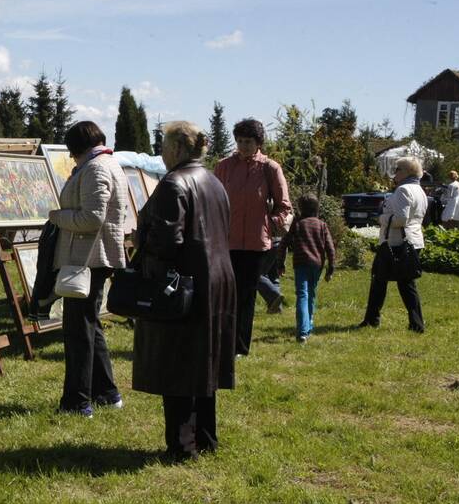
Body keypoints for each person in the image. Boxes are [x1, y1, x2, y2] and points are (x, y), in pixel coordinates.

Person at [132, 121, 236, 461]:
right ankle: (206, 437)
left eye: (163, 144)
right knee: (203, 362)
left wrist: (140, 240)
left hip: (185, 286)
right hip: (216, 278)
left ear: (177, 148)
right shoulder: (213, 181)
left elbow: (166, 241)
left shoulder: (174, 183)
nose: (160, 151)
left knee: (178, 366)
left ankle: (182, 446)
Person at [48, 120, 128, 417]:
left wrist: (58, 216)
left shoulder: (96, 168)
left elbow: (92, 218)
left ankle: (78, 402)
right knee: (90, 327)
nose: (71, 158)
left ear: (77, 148)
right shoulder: (107, 163)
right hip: (93, 257)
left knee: (78, 332)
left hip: (88, 259)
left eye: (72, 152)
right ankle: (107, 393)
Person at [213, 118, 292, 356]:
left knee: (245, 296)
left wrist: (270, 224)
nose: (243, 146)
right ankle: (222, 342)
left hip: (257, 245)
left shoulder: (269, 168)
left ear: (258, 142)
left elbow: (284, 206)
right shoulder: (224, 166)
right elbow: (213, 200)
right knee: (226, 294)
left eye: (248, 141)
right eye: (239, 141)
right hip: (227, 242)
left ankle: (240, 347)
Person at [360, 156, 427, 333]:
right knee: (404, 283)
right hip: (413, 241)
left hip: (396, 242)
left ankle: (372, 320)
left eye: (397, 169)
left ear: (407, 172)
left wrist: (380, 218)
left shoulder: (403, 190)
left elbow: (401, 219)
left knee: (381, 280)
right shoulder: (419, 190)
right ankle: (416, 323)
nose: (394, 172)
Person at [278, 194, 335, 343]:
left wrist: (280, 263)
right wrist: (331, 268)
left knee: (302, 294)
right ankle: (308, 326)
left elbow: (284, 243)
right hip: (317, 264)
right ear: (316, 208)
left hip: (301, 263)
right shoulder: (322, 225)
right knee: (311, 294)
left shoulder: (297, 223)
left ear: (301, 208)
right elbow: (330, 248)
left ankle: (302, 331)